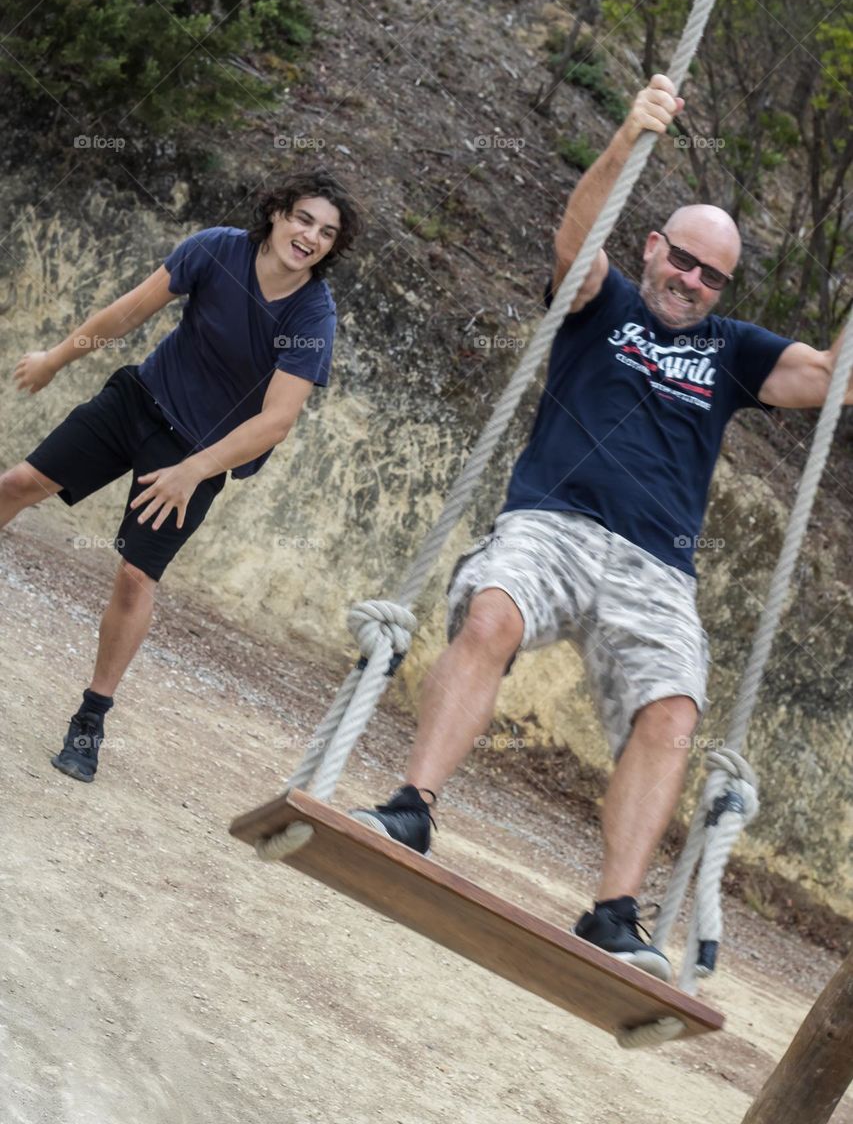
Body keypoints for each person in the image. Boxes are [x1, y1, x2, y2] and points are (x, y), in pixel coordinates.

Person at [352, 75, 852, 981]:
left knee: (673, 712)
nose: (691, 281)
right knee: (492, 613)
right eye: (682, 260)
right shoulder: (601, 301)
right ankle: (410, 807)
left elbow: (831, 378)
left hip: (656, 567)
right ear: (653, 245)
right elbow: (575, 236)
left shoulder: (732, 350)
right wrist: (627, 136)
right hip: (553, 523)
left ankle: (614, 913)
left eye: (711, 275)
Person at [1, 170, 361, 784]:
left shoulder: (312, 314)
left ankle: (90, 719)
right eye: (303, 219)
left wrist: (191, 471)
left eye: (327, 233)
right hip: (138, 400)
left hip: (199, 451)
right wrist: (55, 359)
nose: (310, 237)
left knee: (135, 577)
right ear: (277, 213)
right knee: (17, 485)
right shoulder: (215, 249)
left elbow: (276, 421)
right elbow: (129, 312)